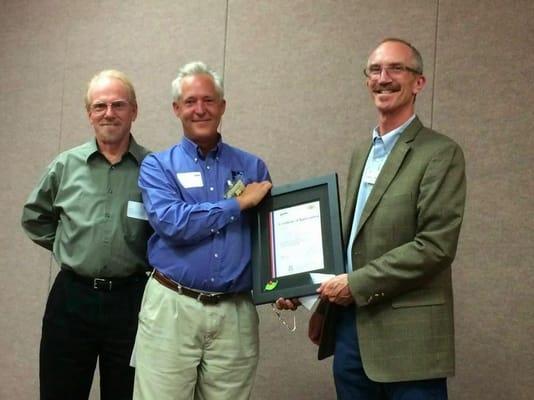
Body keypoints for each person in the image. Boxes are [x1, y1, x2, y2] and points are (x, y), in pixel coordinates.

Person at [278, 38, 466, 399]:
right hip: (351, 334)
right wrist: (312, 297)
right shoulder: (362, 152)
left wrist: (357, 284)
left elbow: (435, 246)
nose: (384, 78)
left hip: (409, 344)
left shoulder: (440, 153)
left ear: (419, 82)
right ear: (367, 81)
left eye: (396, 68)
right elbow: (352, 243)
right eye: (375, 70)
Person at [132, 61, 272, 400]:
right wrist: (237, 204)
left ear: (222, 106)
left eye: (209, 100)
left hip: (234, 311)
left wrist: (286, 283)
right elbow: (173, 223)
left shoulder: (252, 167)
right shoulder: (158, 166)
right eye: (191, 101)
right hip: (172, 304)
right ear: (177, 109)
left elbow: (268, 240)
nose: (200, 109)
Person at [21, 70, 151, 400]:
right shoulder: (65, 166)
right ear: (89, 114)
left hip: (131, 302)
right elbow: (35, 217)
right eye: (100, 106)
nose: (109, 113)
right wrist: (70, 245)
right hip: (72, 299)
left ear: (133, 111)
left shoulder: (153, 169)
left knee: (126, 393)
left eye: (118, 105)